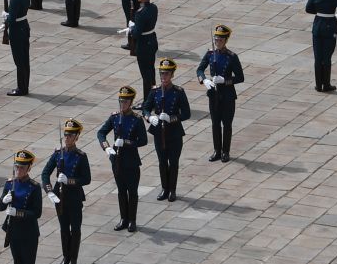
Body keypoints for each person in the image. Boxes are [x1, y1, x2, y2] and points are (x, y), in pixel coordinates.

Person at [96, 87, 148, 231]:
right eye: (121, 101)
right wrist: (107, 147)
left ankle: (132, 220)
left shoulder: (136, 120)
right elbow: (101, 133)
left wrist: (127, 142)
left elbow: (143, 140)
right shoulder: (114, 117)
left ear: (131, 102)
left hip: (131, 160)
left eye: (125, 101)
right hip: (117, 160)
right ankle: (123, 218)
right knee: (121, 191)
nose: (122, 104)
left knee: (132, 191)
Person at [42, 121, 92, 264]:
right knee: (64, 228)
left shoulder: (81, 156)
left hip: (74, 196)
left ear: (76, 137)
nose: (67, 138)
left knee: (75, 229)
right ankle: (65, 257)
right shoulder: (58, 153)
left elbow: (86, 179)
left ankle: (73, 259)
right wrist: (49, 191)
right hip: (60, 196)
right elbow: (45, 173)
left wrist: (69, 181)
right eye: (66, 135)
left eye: (70, 135)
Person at [0, 150, 45, 264]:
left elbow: (36, 213)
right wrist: (4, 200)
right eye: (17, 167)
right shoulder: (10, 184)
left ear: (29, 168)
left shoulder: (34, 187)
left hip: (29, 232)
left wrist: (17, 212)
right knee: (17, 263)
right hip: (14, 231)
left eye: (22, 168)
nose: (19, 170)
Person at [195, 24, 243, 162]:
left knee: (226, 124)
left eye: (220, 40)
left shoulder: (232, 57)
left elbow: (240, 77)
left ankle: (225, 151)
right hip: (214, 94)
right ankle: (217, 150)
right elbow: (199, 69)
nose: (217, 42)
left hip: (227, 95)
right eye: (216, 40)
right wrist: (204, 80)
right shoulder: (210, 54)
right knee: (215, 123)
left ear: (226, 40)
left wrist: (225, 80)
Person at [145, 59, 190, 201]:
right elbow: (146, 108)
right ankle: (164, 188)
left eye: (166, 74)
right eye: (161, 73)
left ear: (172, 75)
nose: (163, 77)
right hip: (159, 132)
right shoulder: (155, 91)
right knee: (162, 161)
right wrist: (149, 118)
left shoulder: (178, 92)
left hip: (174, 132)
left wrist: (172, 118)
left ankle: (172, 190)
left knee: (174, 162)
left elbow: (186, 113)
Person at [3, 0, 32, 95]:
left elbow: (12, 19)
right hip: (24, 28)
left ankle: (21, 88)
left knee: (19, 61)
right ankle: (25, 86)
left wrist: (6, 17)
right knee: (25, 60)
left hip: (16, 32)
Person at [127, 0, 159, 95]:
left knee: (146, 75)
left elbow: (136, 34)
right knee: (151, 72)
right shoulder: (153, 8)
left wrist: (131, 28)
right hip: (152, 40)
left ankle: (147, 102)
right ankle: (154, 97)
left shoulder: (140, 13)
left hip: (143, 45)